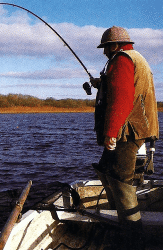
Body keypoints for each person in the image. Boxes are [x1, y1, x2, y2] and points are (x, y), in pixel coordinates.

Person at [91, 26, 159, 249]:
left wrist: (111, 132)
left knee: (120, 179)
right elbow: (125, 86)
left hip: (127, 132)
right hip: (136, 128)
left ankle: (132, 238)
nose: (105, 53)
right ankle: (118, 220)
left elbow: (122, 99)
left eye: (106, 48)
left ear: (115, 45)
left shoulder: (121, 60)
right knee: (106, 168)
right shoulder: (135, 57)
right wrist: (101, 83)